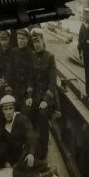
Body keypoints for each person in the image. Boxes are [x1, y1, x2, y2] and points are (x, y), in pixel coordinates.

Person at [0, 94, 54, 177]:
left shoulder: (21, 119)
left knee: (16, 173)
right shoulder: (3, 124)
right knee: (3, 148)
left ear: (14, 109)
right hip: (19, 152)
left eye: (10, 108)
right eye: (5, 109)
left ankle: (45, 168)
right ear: (2, 111)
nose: (8, 112)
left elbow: (31, 135)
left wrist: (31, 153)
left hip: (31, 147)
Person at [28, 28, 58, 159]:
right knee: (27, 112)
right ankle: (31, 146)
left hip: (48, 99)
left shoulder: (50, 57)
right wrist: (30, 97)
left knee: (42, 115)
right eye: (34, 42)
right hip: (36, 97)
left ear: (43, 41)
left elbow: (52, 82)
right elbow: (31, 78)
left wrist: (46, 100)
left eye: (38, 41)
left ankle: (43, 148)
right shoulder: (33, 56)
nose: (36, 44)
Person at [78, 6, 89, 97]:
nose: (86, 16)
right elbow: (79, 38)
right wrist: (79, 51)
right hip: (85, 52)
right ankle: (88, 91)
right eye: (85, 14)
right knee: (86, 72)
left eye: (88, 15)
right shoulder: (82, 26)